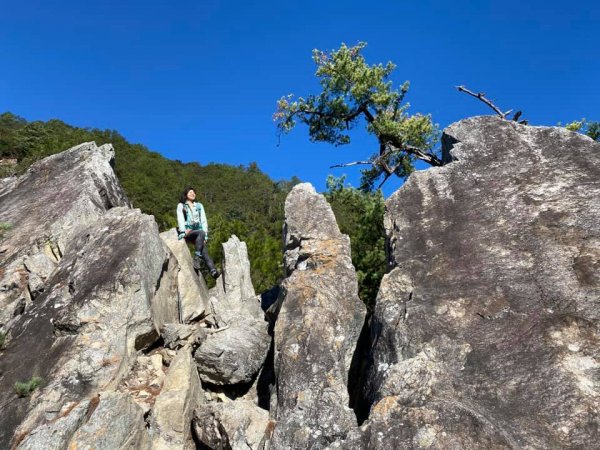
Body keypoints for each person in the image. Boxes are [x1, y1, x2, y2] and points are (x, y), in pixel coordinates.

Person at [177, 186, 220, 278]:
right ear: (186, 195)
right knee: (201, 233)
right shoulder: (181, 206)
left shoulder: (199, 206)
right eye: (190, 192)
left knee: (204, 250)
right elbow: (180, 218)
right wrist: (183, 231)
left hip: (199, 233)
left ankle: (213, 271)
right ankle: (197, 258)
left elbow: (203, 220)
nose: (193, 194)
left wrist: (206, 236)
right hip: (188, 232)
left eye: (194, 193)